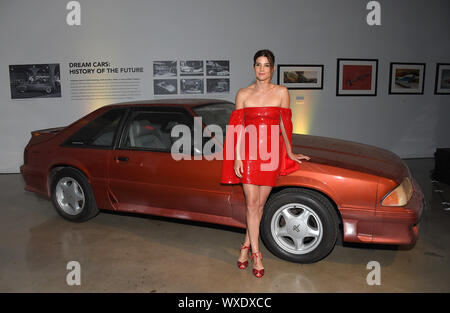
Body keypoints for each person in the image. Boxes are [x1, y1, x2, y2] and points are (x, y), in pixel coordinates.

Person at [220, 49, 311, 278]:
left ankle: (244, 247)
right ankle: (257, 254)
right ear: (253, 68)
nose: (262, 69)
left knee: (260, 206)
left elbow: (284, 124)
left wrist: (289, 151)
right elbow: (238, 128)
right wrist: (238, 157)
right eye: (258, 64)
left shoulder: (281, 92)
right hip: (249, 156)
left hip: (270, 155)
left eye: (266, 65)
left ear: (273, 68)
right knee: (252, 205)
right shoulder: (243, 94)